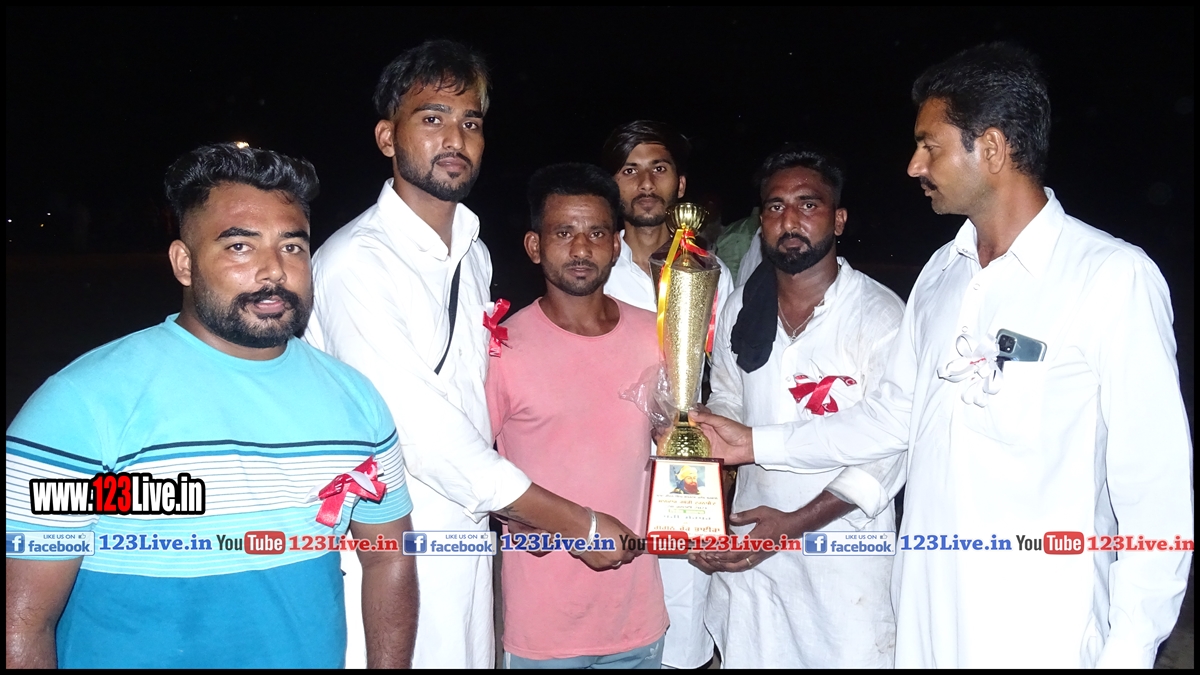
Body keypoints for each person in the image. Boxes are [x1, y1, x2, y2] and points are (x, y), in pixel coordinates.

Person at [692, 43, 1193, 668]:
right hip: (927, 612)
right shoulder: (941, 274)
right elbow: (891, 418)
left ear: (992, 147)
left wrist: (1132, 647)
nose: (914, 165)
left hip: (1042, 623)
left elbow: (1155, 486)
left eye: (930, 145)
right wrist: (753, 443)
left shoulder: (1108, 277)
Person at [5, 143, 417, 668]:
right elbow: (22, 622)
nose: (274, 271)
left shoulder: (356, 402)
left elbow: (389, 559)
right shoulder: (82, 407)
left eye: (292, 246)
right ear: (184, 262)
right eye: (240, 246)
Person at [304, 41, 636, 669]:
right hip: (385, 545)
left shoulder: (473, 252)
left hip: (468, 531)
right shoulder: (357, 263)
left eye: (471, 122)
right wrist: (571, 520)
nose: (455, 138)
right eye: (432, 117)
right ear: (387, 137)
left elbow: (473, 403)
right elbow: (416, 430)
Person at [692, 145, 905, 668]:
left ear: (838, 218)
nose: (790, 220)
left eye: (808, 205)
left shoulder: (880, 316)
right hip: (754, 550)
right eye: (775, 206)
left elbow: (890, 450)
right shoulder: (743, 306)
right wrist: (699, 476)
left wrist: (797, 522)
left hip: (845, 563)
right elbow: (729, 397)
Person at [486, 163, 667, 669]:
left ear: (617, 244)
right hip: (544, 630)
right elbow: (472, 469)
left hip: (639, 618)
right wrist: (522, 522)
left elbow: (675, 443)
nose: (582, 248)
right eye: (564, 233)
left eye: (597, 233)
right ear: (534, 246)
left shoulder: (656, 335)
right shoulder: (502, 348)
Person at [599, 119, 734, 669]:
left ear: (680, 184)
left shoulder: (711, 272)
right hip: (608, 474)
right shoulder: (592, 271)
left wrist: (718, 459)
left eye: (659, 168)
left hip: (685, 472)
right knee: (609, 623)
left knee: (683, 624)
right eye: (629, 170)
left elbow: (726, 379)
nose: (645, 183)